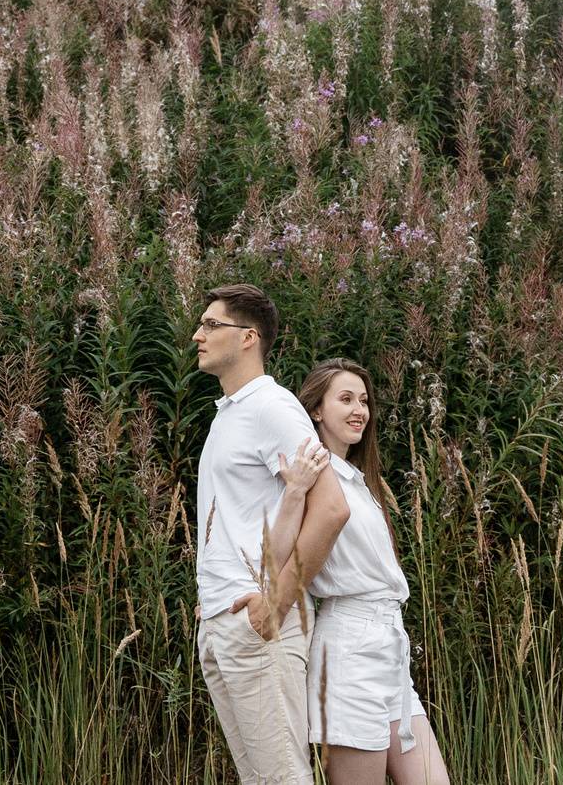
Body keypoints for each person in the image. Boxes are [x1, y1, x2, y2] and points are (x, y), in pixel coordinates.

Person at [192, 283, 347, 785]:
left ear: (248, 338)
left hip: (261, 628)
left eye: (212, 324)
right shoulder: (231, 414)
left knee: (284, 778)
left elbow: (330, 509)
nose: (198, 334)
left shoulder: (271, 407)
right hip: (224, 622)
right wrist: (214, 595)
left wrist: (277, 604)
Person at [296, 360, 451, 785]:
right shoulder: (310, 473)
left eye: (363, 400)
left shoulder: (358, 480)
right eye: (345, 399)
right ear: (315, 410)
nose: (359, 410)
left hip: (391, 650)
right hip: (349, 648)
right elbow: (271, 536)